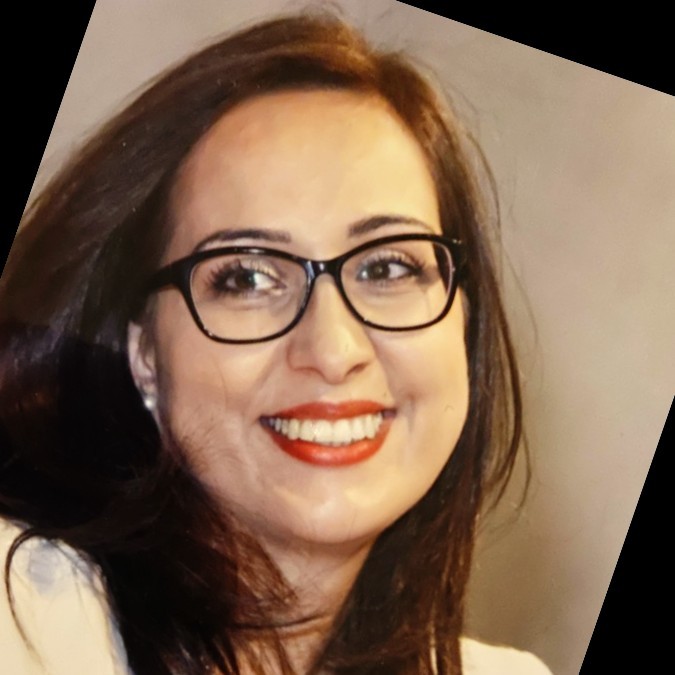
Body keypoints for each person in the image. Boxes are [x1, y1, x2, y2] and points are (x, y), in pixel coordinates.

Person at [0, 11, 553, 675]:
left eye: (387, 267)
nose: (333, 349)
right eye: (247, 277)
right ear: (145, 355)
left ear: (462, 316)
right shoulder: (26, 621)